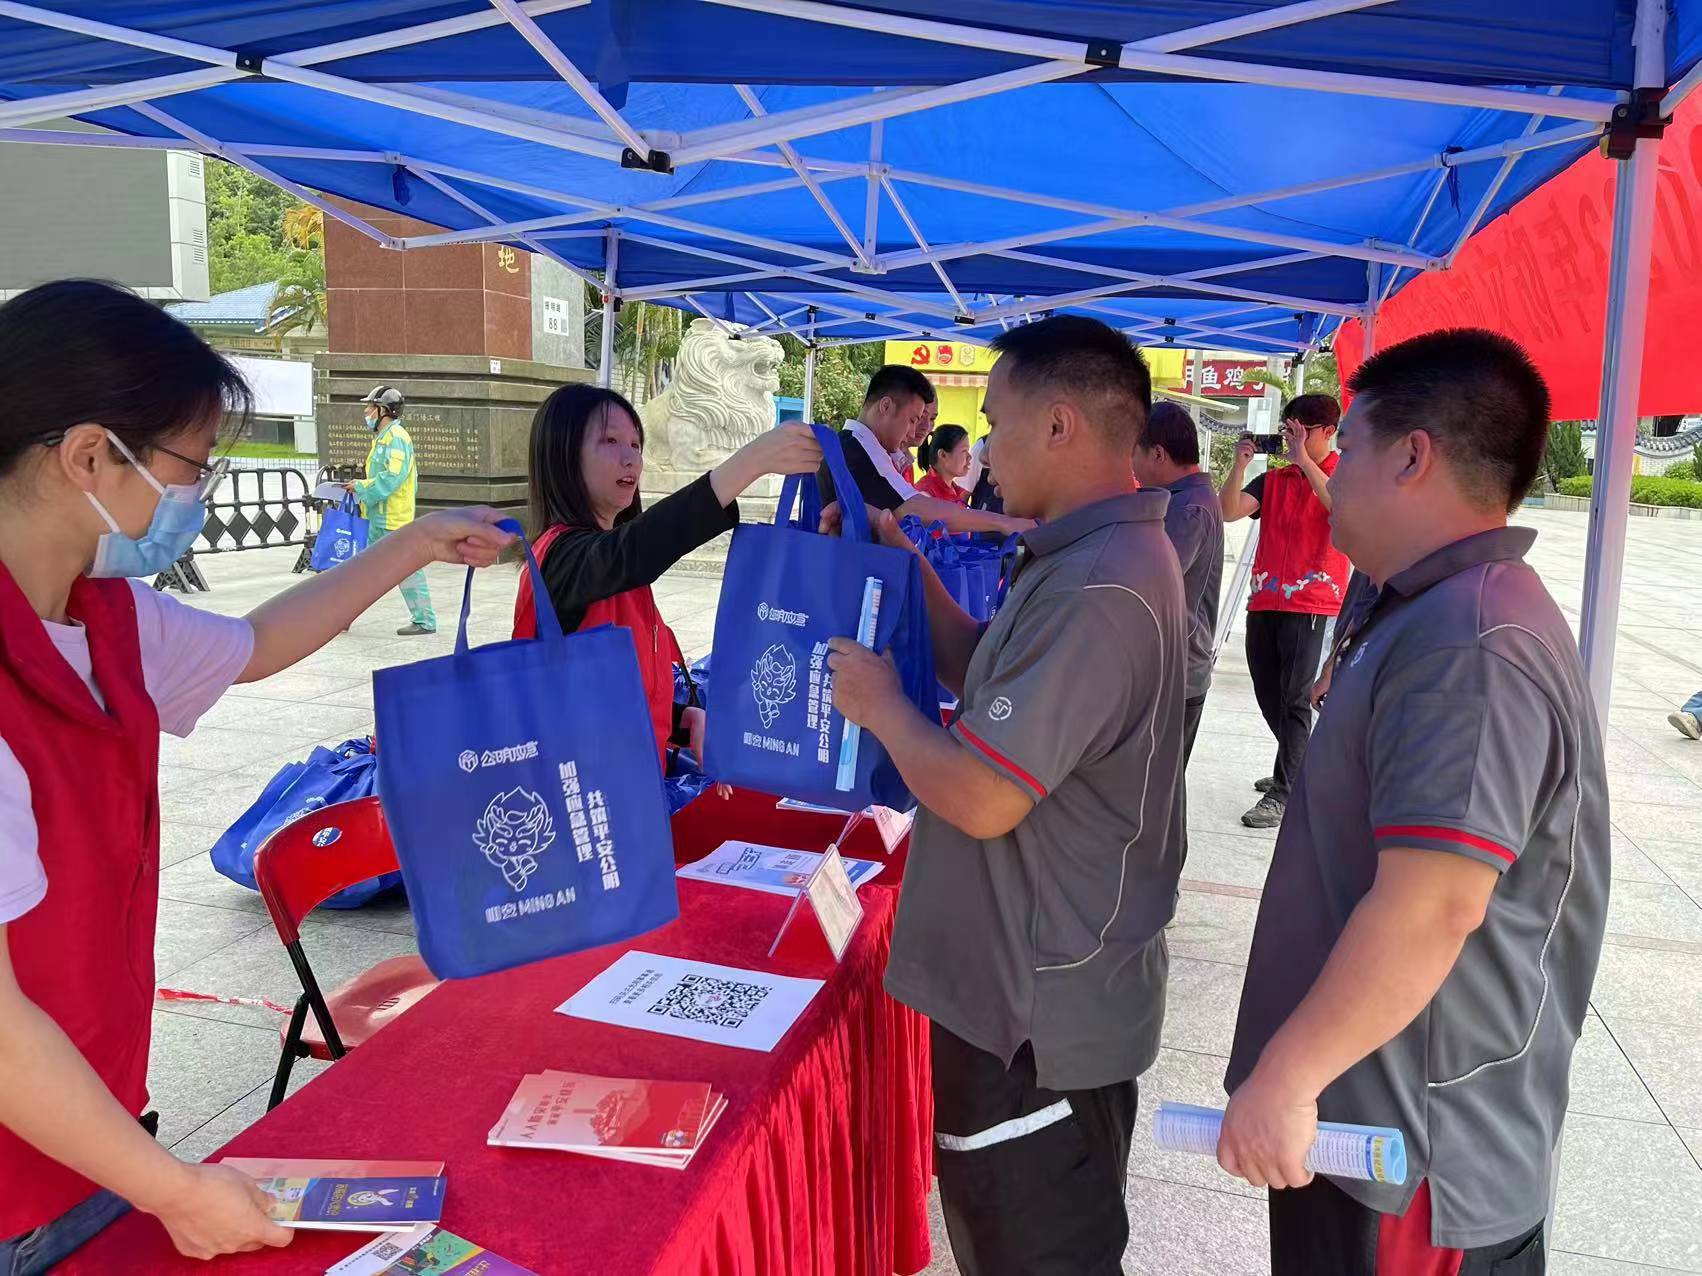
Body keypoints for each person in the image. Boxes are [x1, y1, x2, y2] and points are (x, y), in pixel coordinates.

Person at [0, 280, 514, 1273]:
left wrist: (411, 543)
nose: (194, 494)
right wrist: (176, 1187)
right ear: (89, 456)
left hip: (96, 1127)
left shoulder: (101, 613)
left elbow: (257, 641)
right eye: (191, 465)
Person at [1219, 329, 1609, 1276]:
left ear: (1411, 455)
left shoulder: (1469, 640)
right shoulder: (1433, 608)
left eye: (1345, 447)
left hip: (1407, 1153)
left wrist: (1292, 1071)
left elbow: (1436, 902)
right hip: (1371, 1118)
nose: (1330, 470)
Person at [828, 316, 1186, 1275]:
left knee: (1033, 1248)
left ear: (1061, 425)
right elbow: (984, 666)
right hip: (1027, 992)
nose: (981, 448)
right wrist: (903, 568)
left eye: (995, 423)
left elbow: (985, 796)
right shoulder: (1076, 556)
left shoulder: (1099, 585)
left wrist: (883, 710)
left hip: (1039, 1020)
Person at [512, 384, 821, 766]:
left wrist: (681, 719)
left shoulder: (606, 561)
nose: (631, 459)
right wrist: (752, 461)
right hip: (584, 796)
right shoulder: (561, 559)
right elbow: (638, 549)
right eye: (610, 441)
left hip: (630, 786)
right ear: (561, 455)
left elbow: (607, 696)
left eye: (636, 445)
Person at [1220, 392, 1349, 828]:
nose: (1292, 438)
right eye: (1287, 429)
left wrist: (1304, 461)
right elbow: (1228, 511)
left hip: (1312, 602)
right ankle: (1297, 767)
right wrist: (1240, 464)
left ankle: (1285, 789)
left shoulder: (1341, 475)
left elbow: (1339, 508)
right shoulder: (1275, 480)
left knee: (1296, 698)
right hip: (1266, 599)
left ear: (1328, 432)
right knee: (1267, 690)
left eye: (1301, 430)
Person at [820, 365, 1031, 537]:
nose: (913, 430)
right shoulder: (860, 449)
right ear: (885, 406)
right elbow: (913, 509)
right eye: (912, 420)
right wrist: (1002, 521)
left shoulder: (851, 445)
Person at [1133, 401, 1224, 765]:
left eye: (1133, 454)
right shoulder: (1185, 499)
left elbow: (1149, 582)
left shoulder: (1189, 509)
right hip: (1176, 667)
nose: (1131, 466)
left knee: (1156, 793)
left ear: (1157, 453)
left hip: (1178, 670)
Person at [347, 385, 436, 636]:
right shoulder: (384, 438)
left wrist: (361, 487)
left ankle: (425, 620)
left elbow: (392, 477)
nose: (366, 412)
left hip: (392, 520)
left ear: (383, 411)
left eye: (370, 407)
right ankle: (342, 615)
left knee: (403, 569)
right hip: (380, 518)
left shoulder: (396, 439)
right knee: (365, 569)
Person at [914, 424, 972, 506]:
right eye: (964, 451)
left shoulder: (956, 492)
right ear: (943, 455)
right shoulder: (924, 494)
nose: (970, 457)